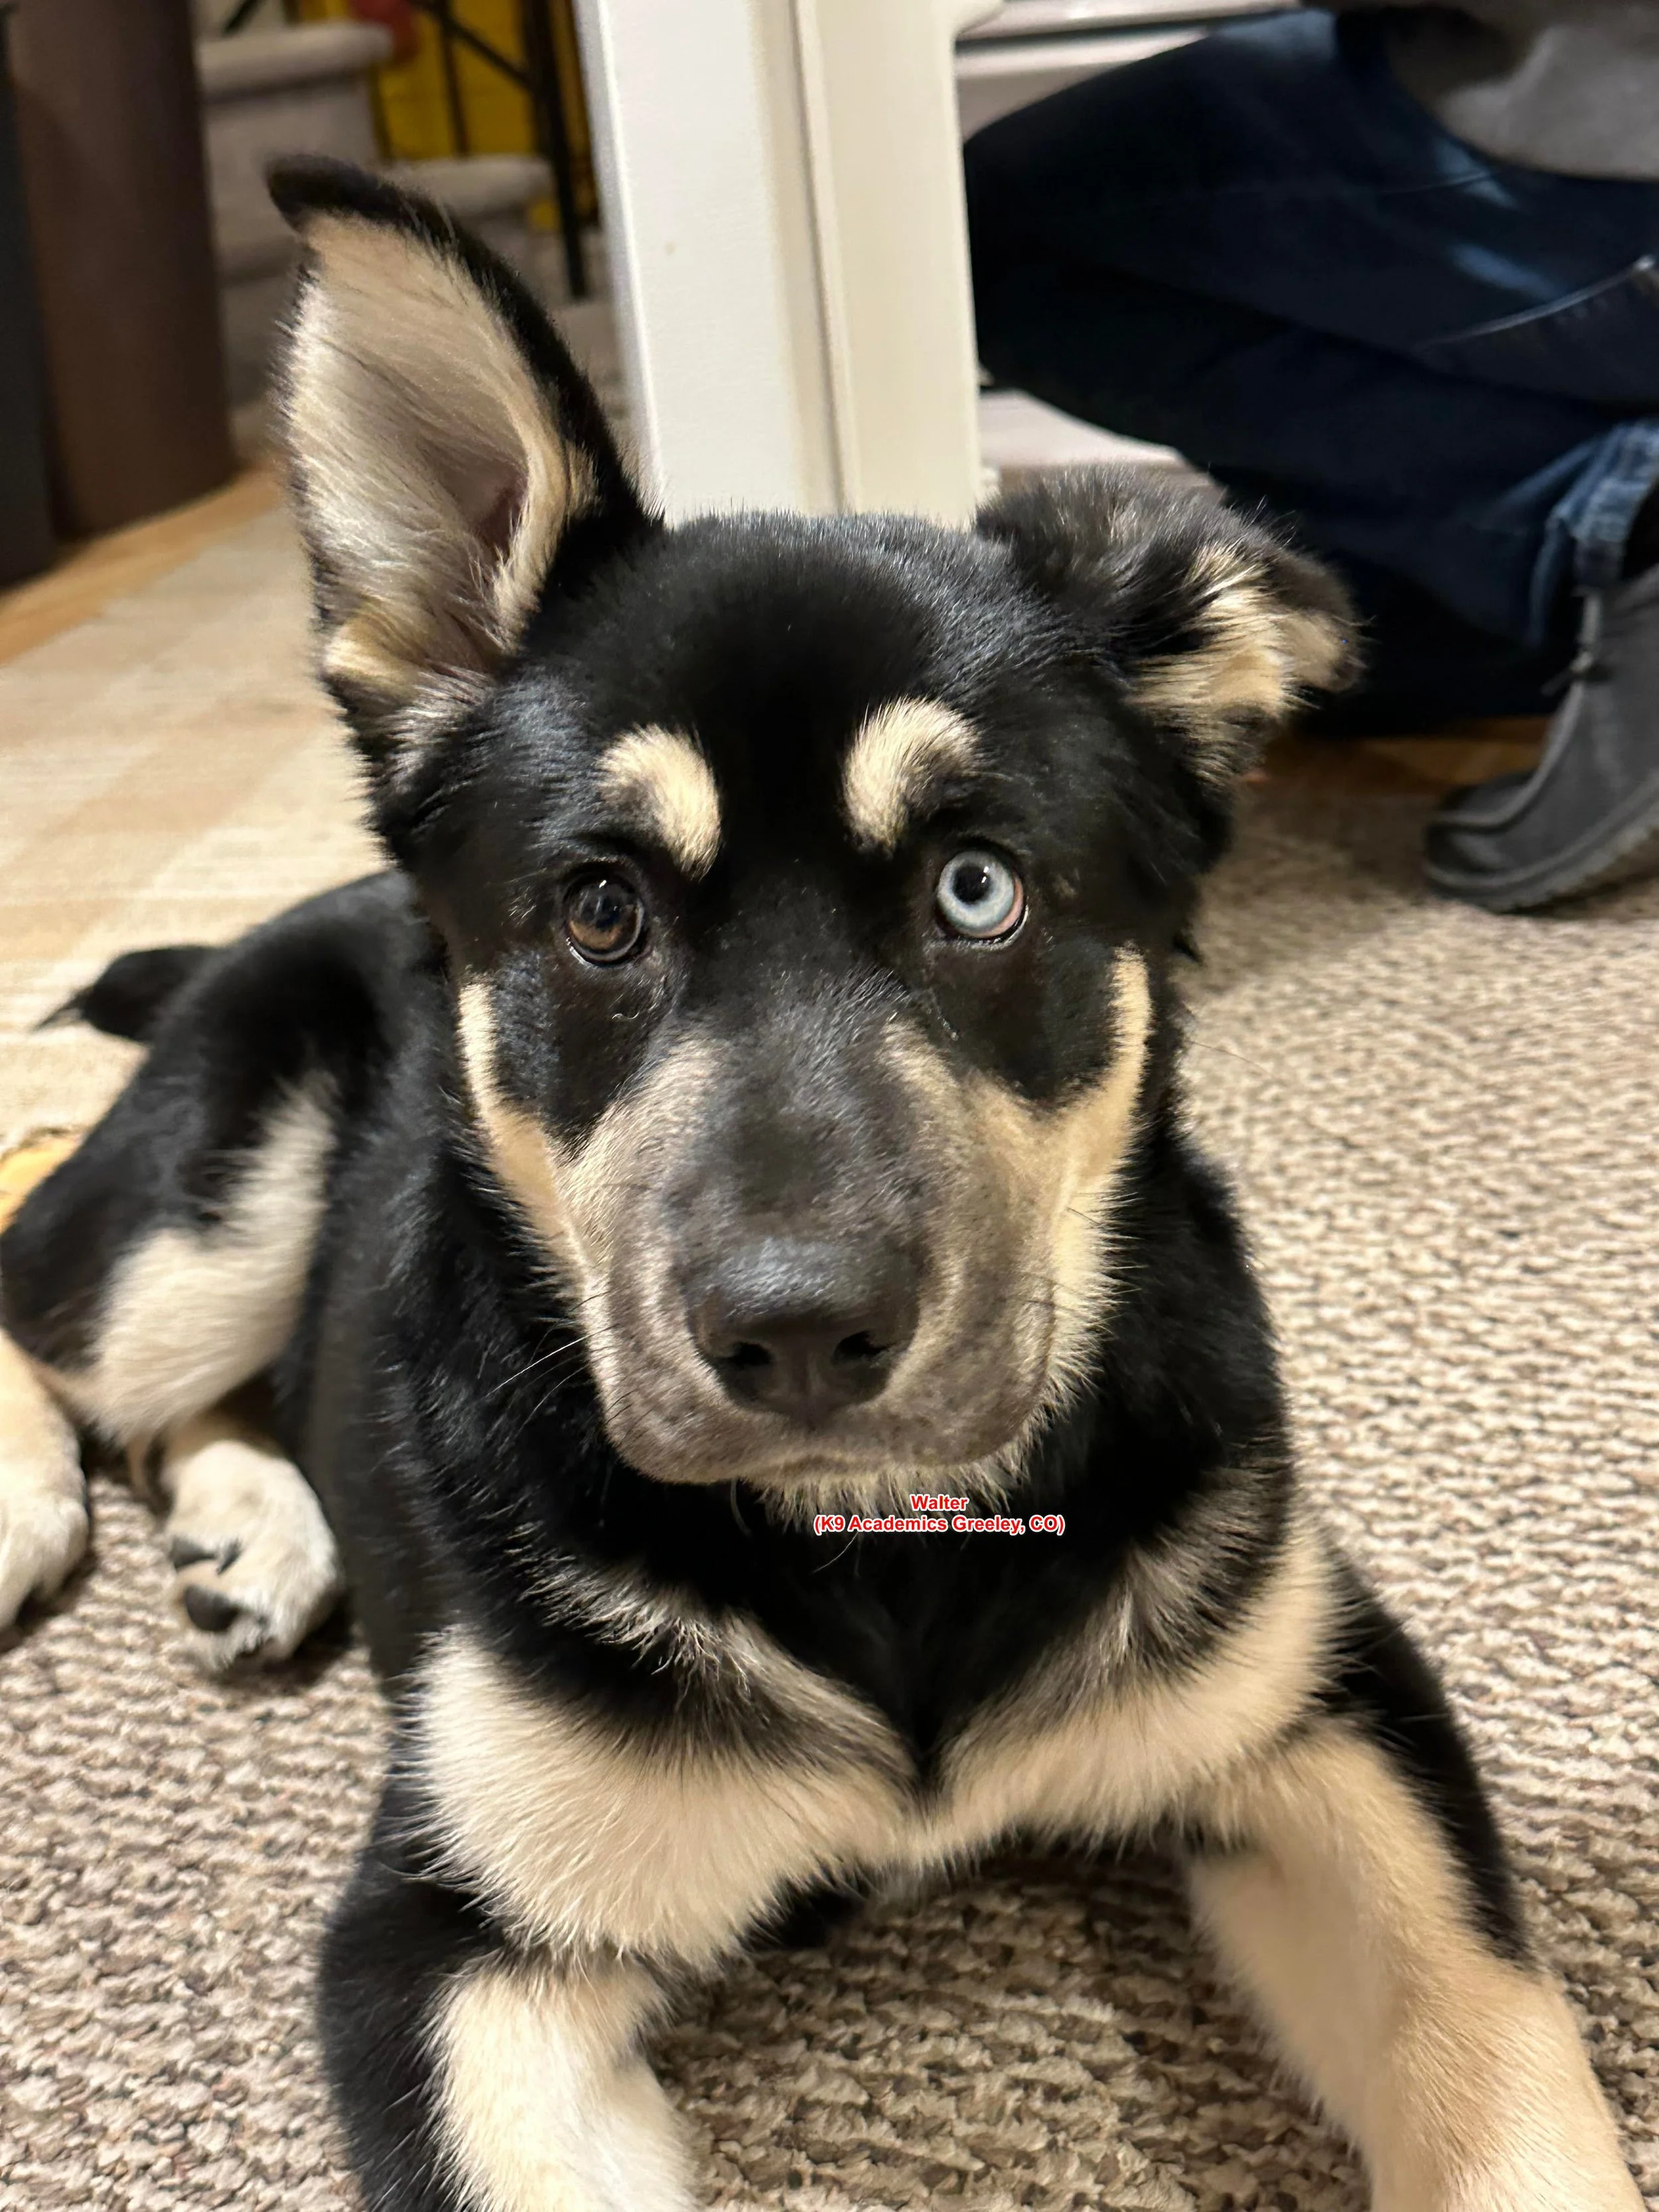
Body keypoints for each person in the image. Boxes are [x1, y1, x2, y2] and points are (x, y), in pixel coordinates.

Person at [964, 2, 1659, 910]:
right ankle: (1548, 568)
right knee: (1357, 660)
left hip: (1607, 120)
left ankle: (1612, 515)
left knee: (979, 228)